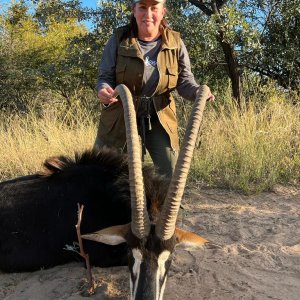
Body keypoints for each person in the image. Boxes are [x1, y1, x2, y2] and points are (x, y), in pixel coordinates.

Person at [94, 0, 214, 178]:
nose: (148, 14)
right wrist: (103, 90)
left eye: (154, 8)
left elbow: (185, 81)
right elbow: (105, 78)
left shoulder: (176, 42)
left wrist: (197, 92)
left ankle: (170, 207)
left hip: (159, 115)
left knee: (171, 176)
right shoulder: (118, 39)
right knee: (102, 173)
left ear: (163, 12)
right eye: (142, 8)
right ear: (134, 10)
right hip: (121, 114)